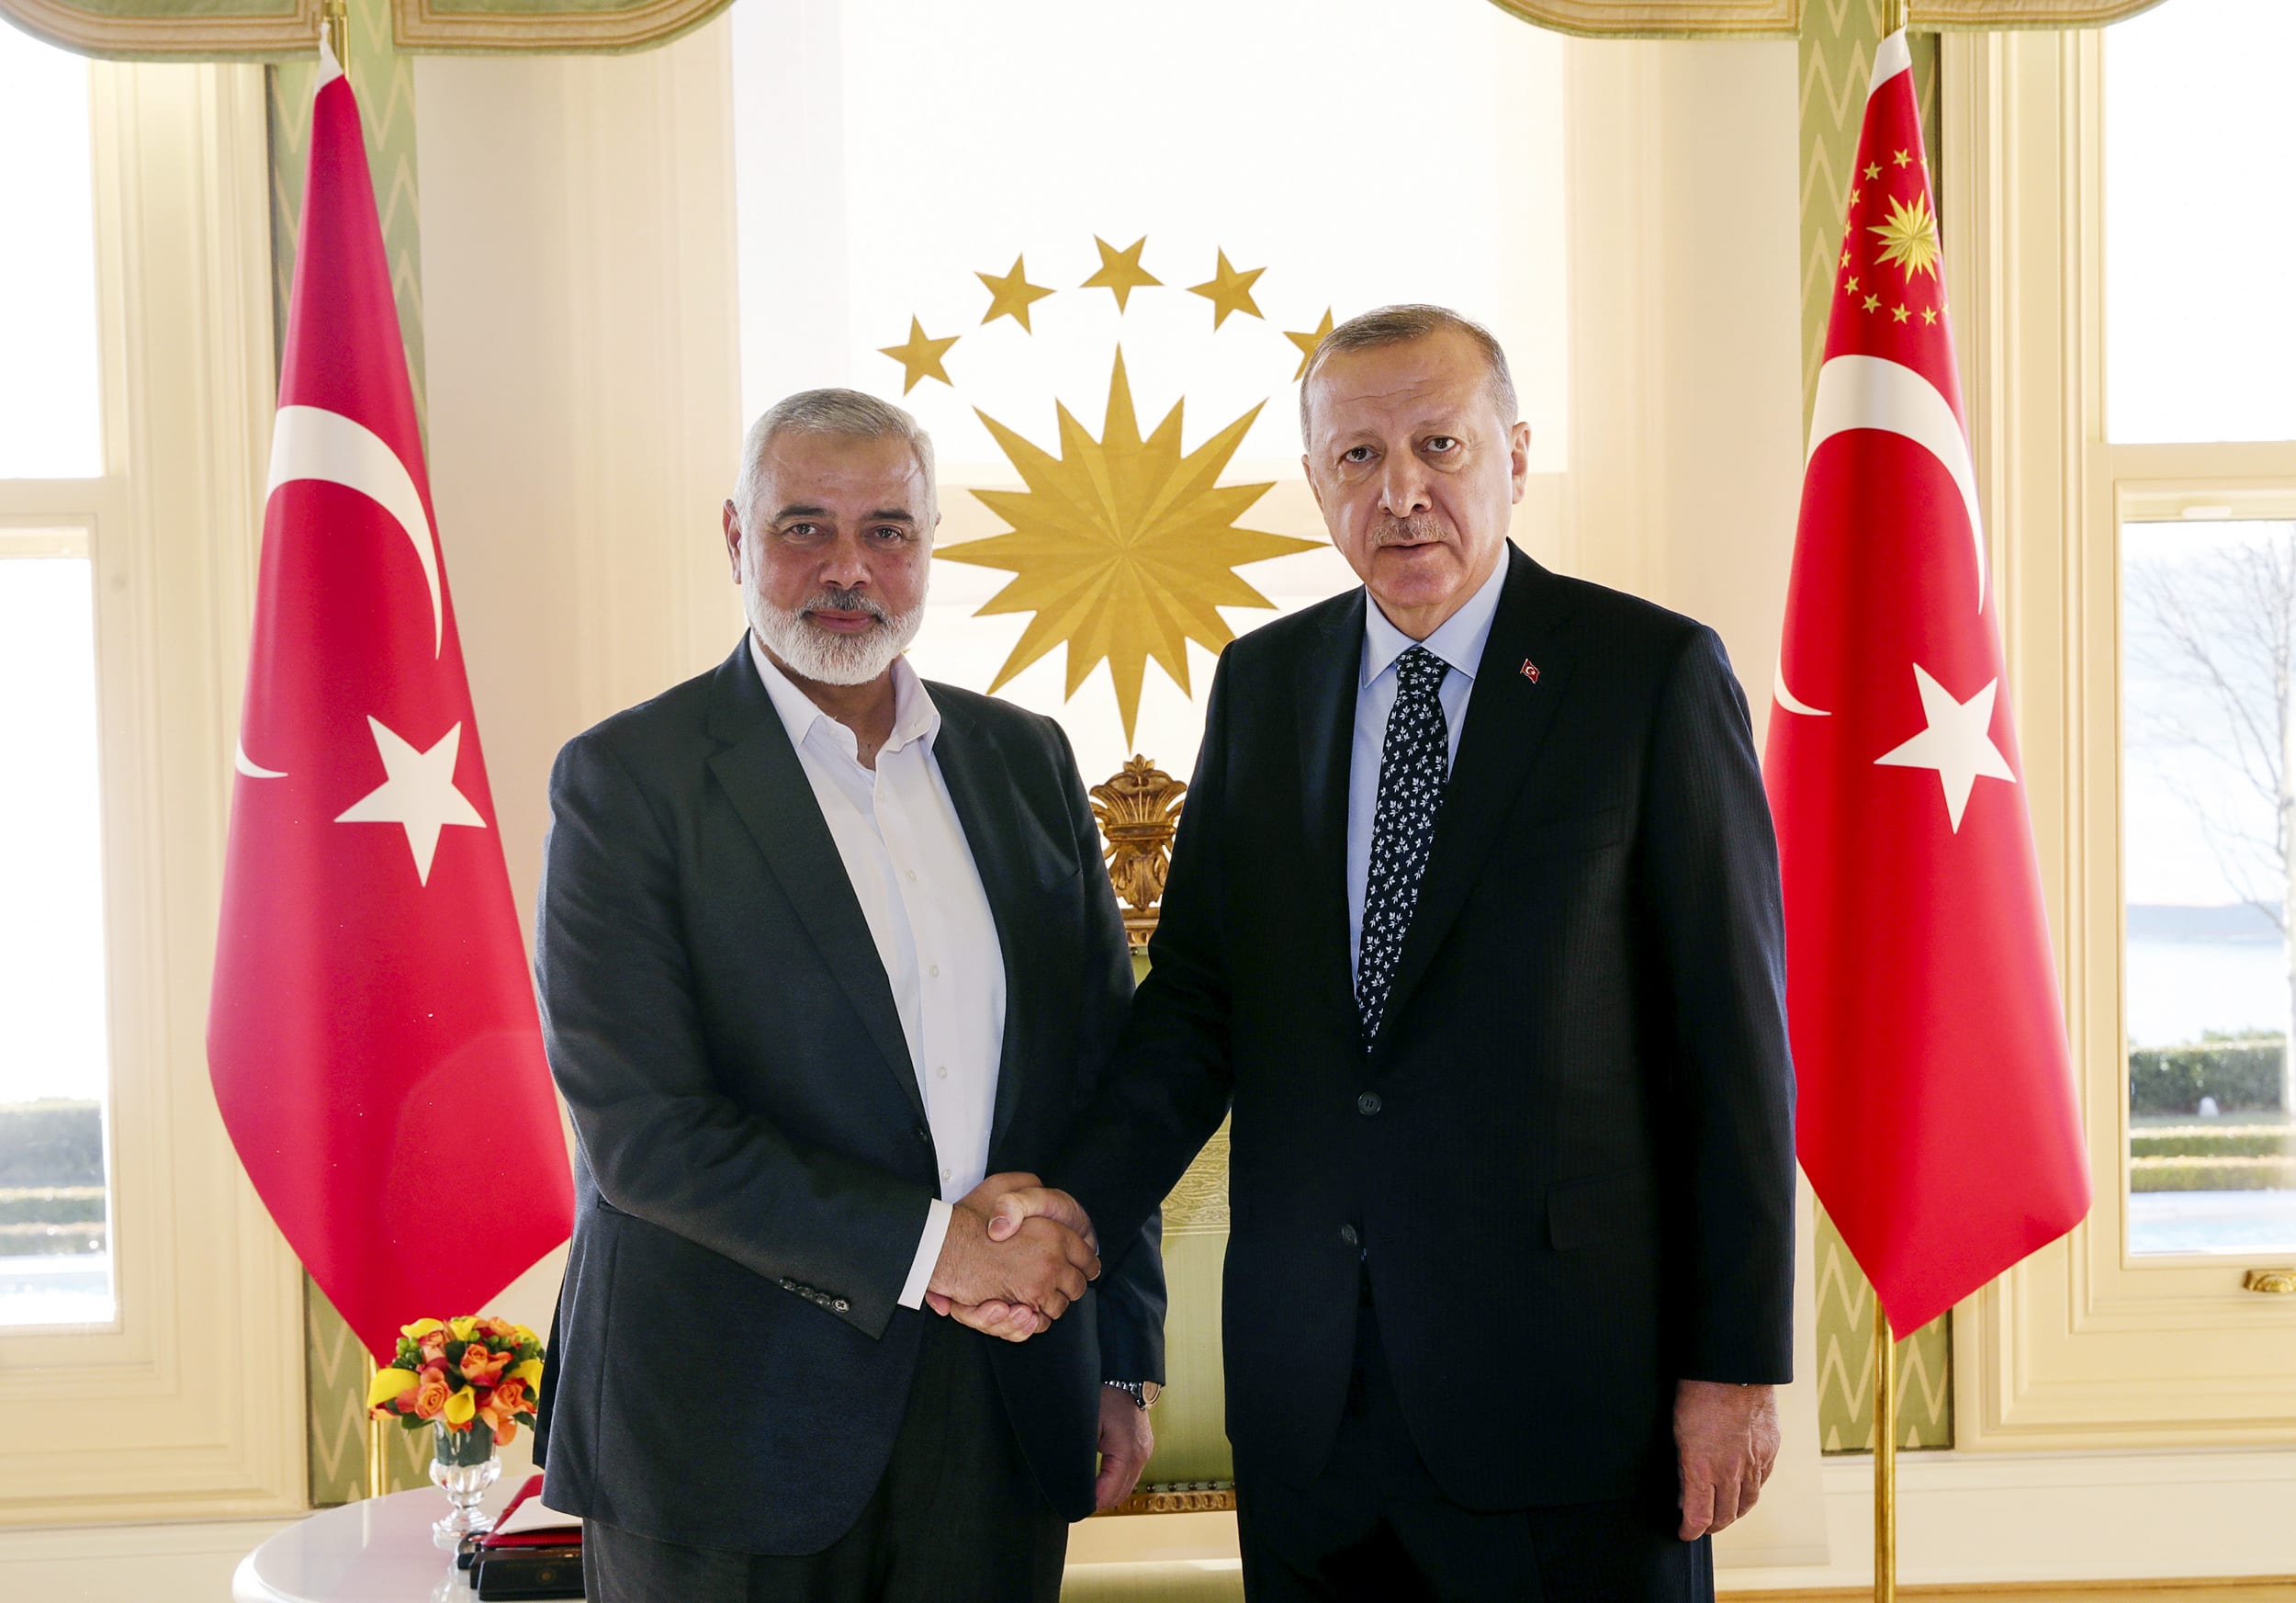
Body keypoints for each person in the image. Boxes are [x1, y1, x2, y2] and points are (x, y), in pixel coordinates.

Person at [966, 306, 1795, 1600]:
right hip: (1313, 1413)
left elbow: (1734, 1049)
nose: (1401, 493)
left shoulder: (1649, 677)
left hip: (1569, 1411)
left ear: (1514, 455)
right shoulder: (1264, 686)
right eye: (1357, 457)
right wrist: (1071, 1204)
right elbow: (1193, 1010)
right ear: (1314, 483)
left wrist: (1734, 1368)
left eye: (1438, 445)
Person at [530, 389, 1165, 1603]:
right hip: (722, 1432)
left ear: (930, 546)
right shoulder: (627, 781)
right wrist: (938, 1251)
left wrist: (1119, 1354)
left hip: (1000, 1413)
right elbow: (646, 1135)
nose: (848, 568)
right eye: (803, 527)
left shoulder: (1028, 760)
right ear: (734, 537)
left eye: (887, 530)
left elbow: (1105, 1073)